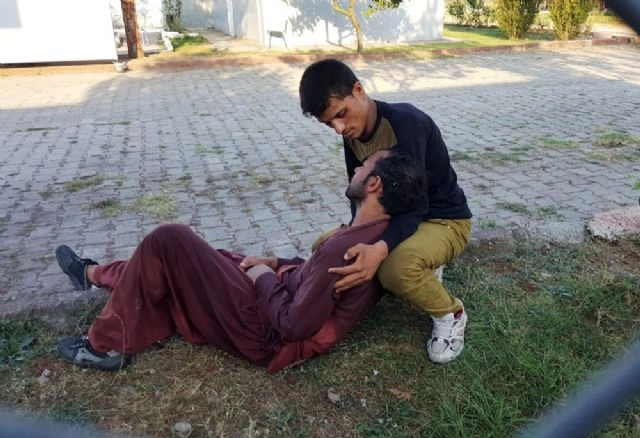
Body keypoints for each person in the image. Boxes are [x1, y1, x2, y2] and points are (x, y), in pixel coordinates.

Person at [55, 150, 425, 372]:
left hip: (264, 334)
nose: (356, 169)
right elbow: (315, 277)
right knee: (206, 258)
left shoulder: (348, 250)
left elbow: (293, 325)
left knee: (170, 239)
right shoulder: (373, 236)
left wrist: (264, 276)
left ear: (374, 185)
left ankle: (103, 347)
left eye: (365, 166)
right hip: (275, 302)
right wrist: (274, 262)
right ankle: (93, 274)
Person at [299, 59, 473, 364]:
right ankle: (419, 263)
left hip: (442, 219)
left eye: (340, 114)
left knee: (395, 269)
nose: (339, 128)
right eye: (328, 124)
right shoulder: (352, 135)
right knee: (325, 248)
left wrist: (379, 248)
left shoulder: (406, 124)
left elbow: (416, 206)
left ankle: (451, 314)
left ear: (358, 90)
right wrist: (351, 236)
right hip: (396, 220)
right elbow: (359, 196)